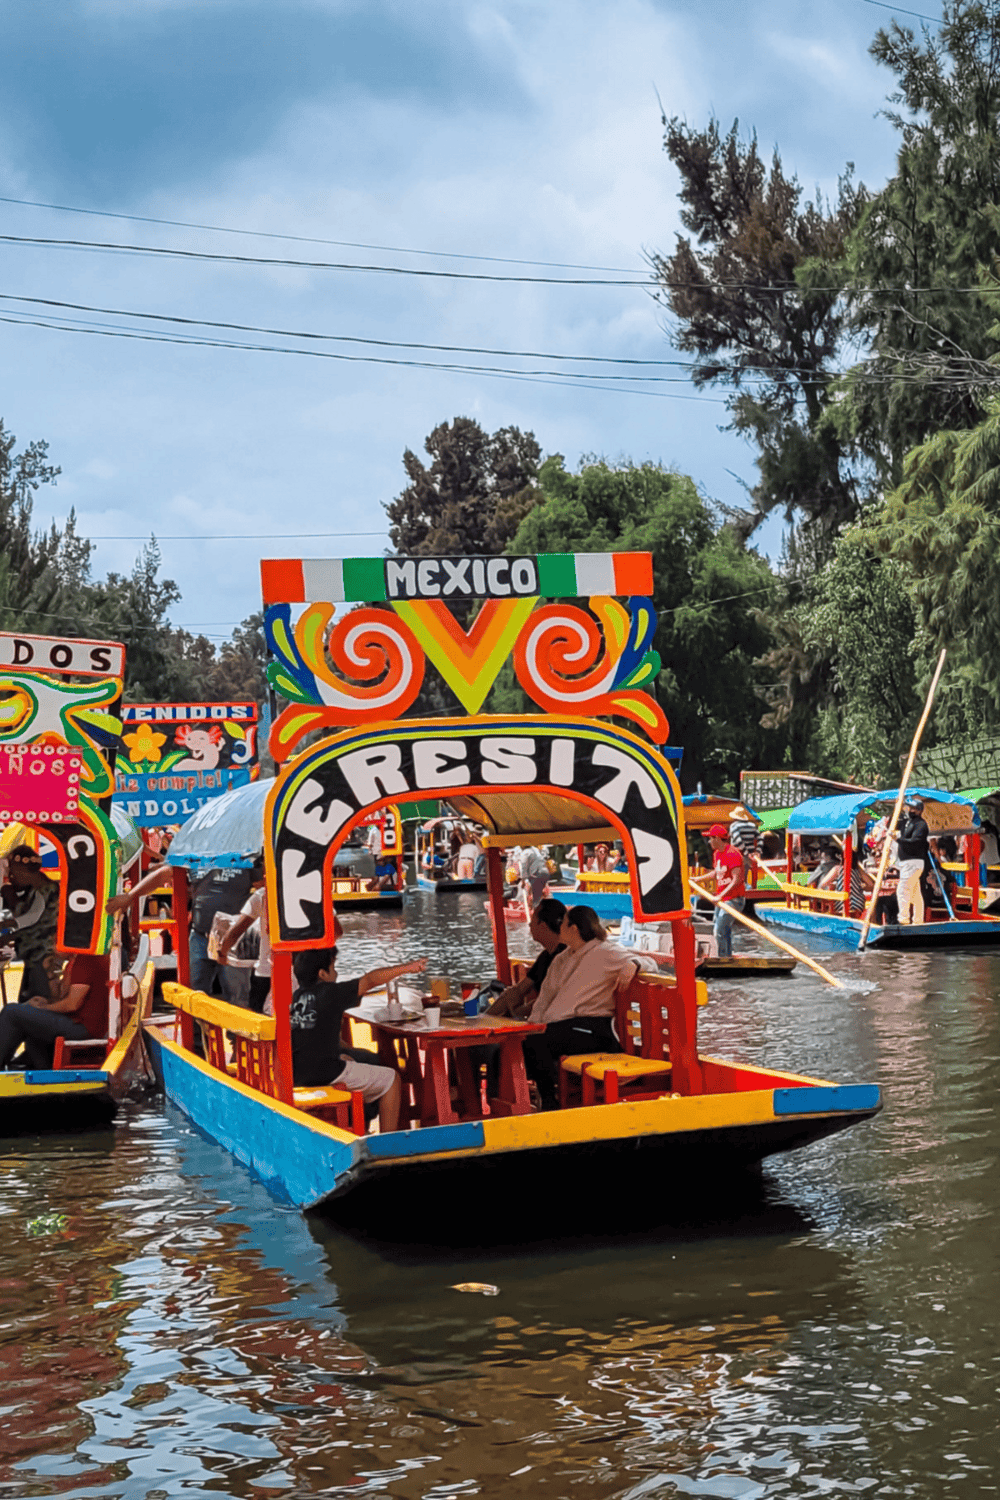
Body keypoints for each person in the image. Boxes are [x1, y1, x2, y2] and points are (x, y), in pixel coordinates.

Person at [521, 905, 655, 1109]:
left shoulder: (605, 951)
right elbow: (544, 999)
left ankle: (549, 1103)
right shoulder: (561, 959)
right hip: (563, 1026)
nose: (560, 928)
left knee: (539, 1042)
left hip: (594, 1029)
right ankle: (535, 1099)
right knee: (523, 1042)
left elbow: (651, 963)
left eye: (563, 924)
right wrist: (531, 1025)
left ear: (574, 928)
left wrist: (634, 964)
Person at [289, 946, 427, 1133]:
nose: (336, 972)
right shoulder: (331, 992)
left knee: (358, 1060)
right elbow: (370, 980)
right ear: (322, 974)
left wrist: (341, 1054)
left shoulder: (296, 998)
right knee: (391, 1079)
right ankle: (387, 1144)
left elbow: (312, 1037)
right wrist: (408, 967)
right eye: (333, 967)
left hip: (296, 1072)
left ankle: (360, 1124)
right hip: (323, 1073)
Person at [108, 859, 253, 1005]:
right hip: (200, 936)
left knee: (238, 999)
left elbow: (263, 886)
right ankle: (197, 1028)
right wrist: (130, 896)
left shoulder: (247, 854)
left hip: (235, 938)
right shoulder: (195, 853)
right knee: (192, 996)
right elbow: (166, 873)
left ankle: (235, 1029)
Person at [0, 954, 92, 1070]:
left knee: (11, 1012)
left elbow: (72, 1004)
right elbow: (64, 998)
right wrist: (45, 1002)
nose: (53, 947)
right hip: (76, 1021)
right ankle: (37, 1068)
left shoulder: (85, 962)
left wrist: (44, 1008)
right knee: (28, 1018)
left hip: (81, 1027)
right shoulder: (76, 963)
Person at [487, 898, 567, 1018]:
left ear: (543, 925)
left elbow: (555, 1000)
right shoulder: (546, 956)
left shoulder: (565, 956)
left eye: (533, 920)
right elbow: (520, 989)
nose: (529, 924)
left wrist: (519, 1011)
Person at [1, 845, 61, 1000]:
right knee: (27, 1001)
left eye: (13, 873)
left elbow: (31, 917)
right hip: (34, 956)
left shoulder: (45, 889)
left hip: (42, 956)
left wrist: (9, 924)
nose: (12, 878)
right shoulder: (35, 889)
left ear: (23, 871)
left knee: (38, 1002)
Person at [218, 867, 271, 1014]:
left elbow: (236, 931)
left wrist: (222, 952)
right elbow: (336, 931)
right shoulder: (310, 894)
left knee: (257, 1019)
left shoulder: (262, 896)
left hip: (267, 971)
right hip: (302, 971)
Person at [705, 823, 745, 957]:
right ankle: (727, 957)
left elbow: (736, 880)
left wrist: (720, 895)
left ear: (717, 838)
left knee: (719, 930)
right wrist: (697, 879)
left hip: (734, 899)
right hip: (723, 899)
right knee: (723, 930)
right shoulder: (717, 854)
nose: (709, 841)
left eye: (711, 838)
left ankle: (722, 959)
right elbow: (716, 873)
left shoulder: (733, 854)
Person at [896, 796, 930, 925]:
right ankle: (918, 921)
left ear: (919, 810)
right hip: (907, 863)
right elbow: (893, 823)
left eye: (913, 808)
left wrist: (898, 840)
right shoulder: (907, 822)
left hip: (913, 862)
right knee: (915, 894)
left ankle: (903, 920)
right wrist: (898, 808)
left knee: (903, 889)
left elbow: (915, 842)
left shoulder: (921, 824)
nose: (910, 810)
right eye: (909, 807)